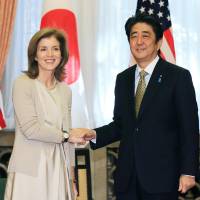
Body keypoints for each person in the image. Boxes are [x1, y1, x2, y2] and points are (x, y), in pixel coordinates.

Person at [72, 14, 199, 200]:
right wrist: (94, 133)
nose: (139, 41)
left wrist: (188, 171)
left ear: (158, 42)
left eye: (146, 35)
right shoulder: (122, 79)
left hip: (162, 177)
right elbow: (121, 125)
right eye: (133, 36)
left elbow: (189, 128)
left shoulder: (178, 77)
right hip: (127, 178)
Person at [4, 28, 86, 200]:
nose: (50, 54)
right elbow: (31, 129)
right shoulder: (22, 84)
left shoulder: (65, 90)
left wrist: (72, 178)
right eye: (43, 49)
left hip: (58, 168)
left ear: (62, 54)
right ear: (34, 55)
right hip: (29, 171)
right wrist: (66, 136)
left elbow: (68, 138)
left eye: (55, 48)